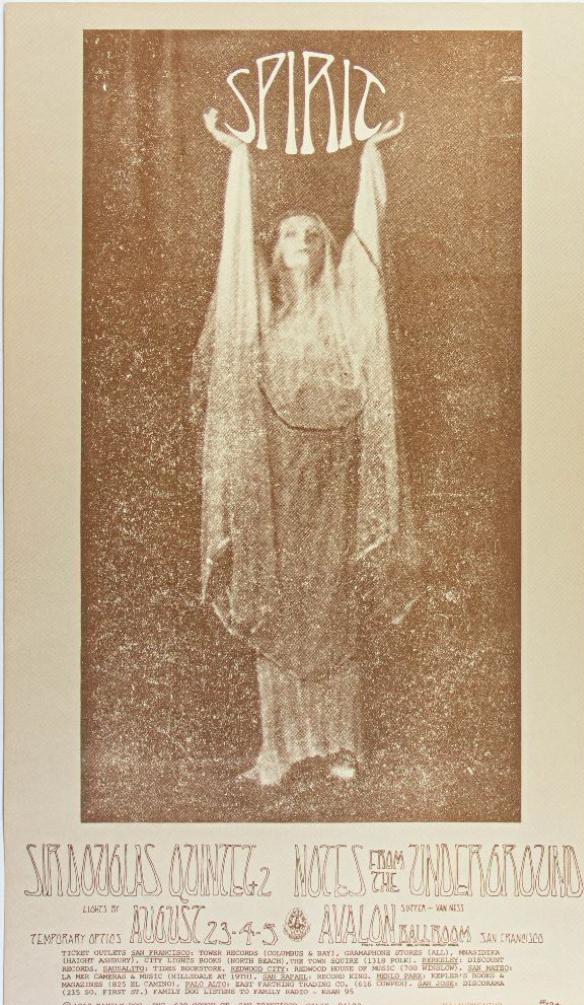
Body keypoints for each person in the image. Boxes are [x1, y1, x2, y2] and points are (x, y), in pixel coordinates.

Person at [190, 107, 421, 787]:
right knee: (275, 594)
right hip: (274, 473)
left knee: (333, 595)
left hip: (335, 470)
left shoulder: (345, 308)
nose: (302, 242)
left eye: (313, 235)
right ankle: (280, 750)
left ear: (325, 249)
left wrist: (370, 159)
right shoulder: (259, 317)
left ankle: (340, 746)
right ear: (274, 247)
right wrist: (238, 159)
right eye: (290, 233)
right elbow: (235, 247)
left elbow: (368, 241)